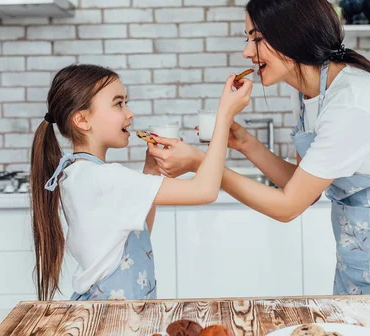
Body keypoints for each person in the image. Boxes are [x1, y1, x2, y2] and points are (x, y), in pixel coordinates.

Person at [149, 0, 370, 295]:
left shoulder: (352, 102)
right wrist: (246, 143)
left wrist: (201, 163)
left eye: (256, 38)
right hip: (360, 252)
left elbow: (289, 205)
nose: (247, 51)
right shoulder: (314, 93)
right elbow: (304, 186)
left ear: (291, 34)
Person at [29, 63, 251, 301]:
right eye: (118, 103)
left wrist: (152, 170)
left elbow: (135, 231)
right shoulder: (106, 178)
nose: (129, 112)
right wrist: (224, 117)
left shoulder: (80, 173)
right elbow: (205, 191)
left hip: (109, 312)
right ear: (82, 120)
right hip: (112, 317)